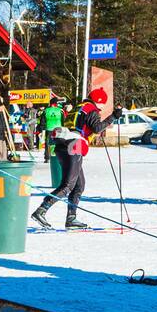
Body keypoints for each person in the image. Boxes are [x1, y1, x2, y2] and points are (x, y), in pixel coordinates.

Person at [31, 86, 121, 230]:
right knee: (68, 185)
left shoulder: (79, 107)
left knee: (79, 185)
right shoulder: (91, 109)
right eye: (103, 102)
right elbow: (97, 128)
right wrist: (113, 117)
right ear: (98, 101)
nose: (103, 106)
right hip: (74, 145)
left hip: (63, 144)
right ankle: (41, 210)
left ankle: (71, 218)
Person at [42, 95, 64, 161]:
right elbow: (63, 120)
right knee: (58, 143)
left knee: (48, 143)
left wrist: (41, 129)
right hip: (58, 129)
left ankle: (47, 157)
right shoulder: (60, 110)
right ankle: (57, 156)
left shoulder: (46, 110)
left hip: (49, 129)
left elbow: (42, 121)